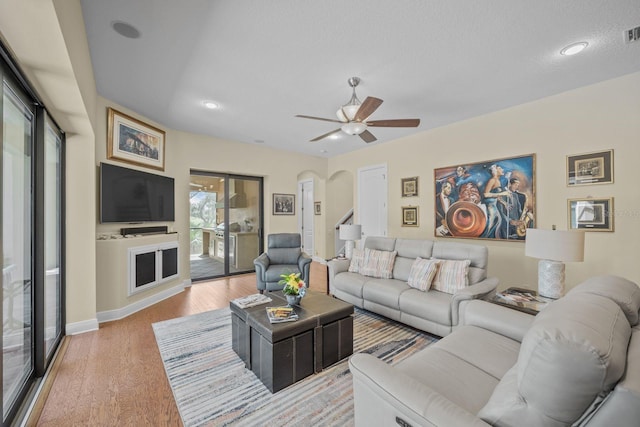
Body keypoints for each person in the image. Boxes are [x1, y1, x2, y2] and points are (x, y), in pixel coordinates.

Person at [481, 164, 510, 239]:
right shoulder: (492, 180)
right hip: (491, 206)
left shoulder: (498, 181)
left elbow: (496, 196)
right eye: (500, 168)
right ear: (495, 171)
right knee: (493, 223)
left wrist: (504, 203)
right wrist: (502, 193)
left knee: (499, 222)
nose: (502, 170)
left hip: (495, 204)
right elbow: (486, 194)